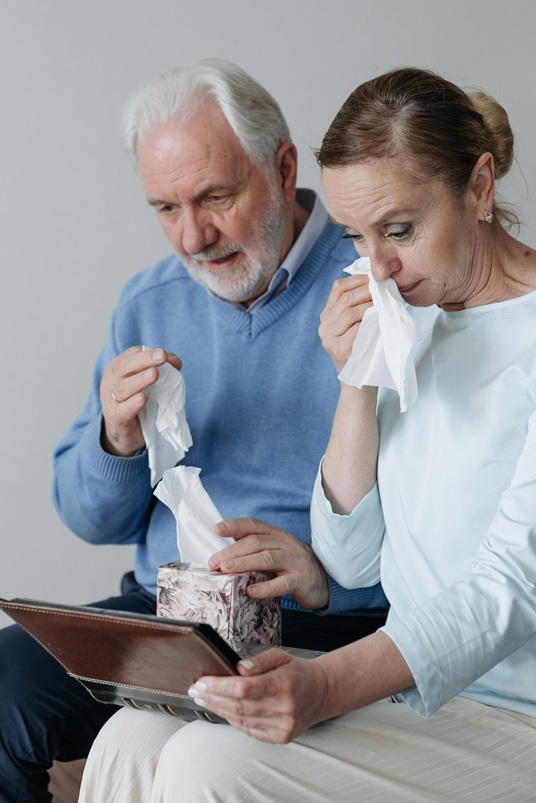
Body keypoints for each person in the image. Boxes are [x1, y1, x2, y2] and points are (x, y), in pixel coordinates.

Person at [78, 66, 536, 802]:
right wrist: (355, 380)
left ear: (479, 186)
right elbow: (352, 561)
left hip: (514, 711)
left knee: (208, 764)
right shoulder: (409, 318)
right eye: (356, 236)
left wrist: (326, 684)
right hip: (417, 697)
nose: (376, 267)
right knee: (131, 735)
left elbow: (512, 585)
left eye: (399, 229)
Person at [0, 59, 389, 802]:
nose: (193, 236)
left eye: (215, 196)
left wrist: (328, 583)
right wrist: (116, 440)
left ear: (282, 168)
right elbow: (89, 519)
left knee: (188, 753)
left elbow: (447, 530)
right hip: (166, 620)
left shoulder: (375, 287)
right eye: (165, 207)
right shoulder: (149, 302)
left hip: (324, 625)